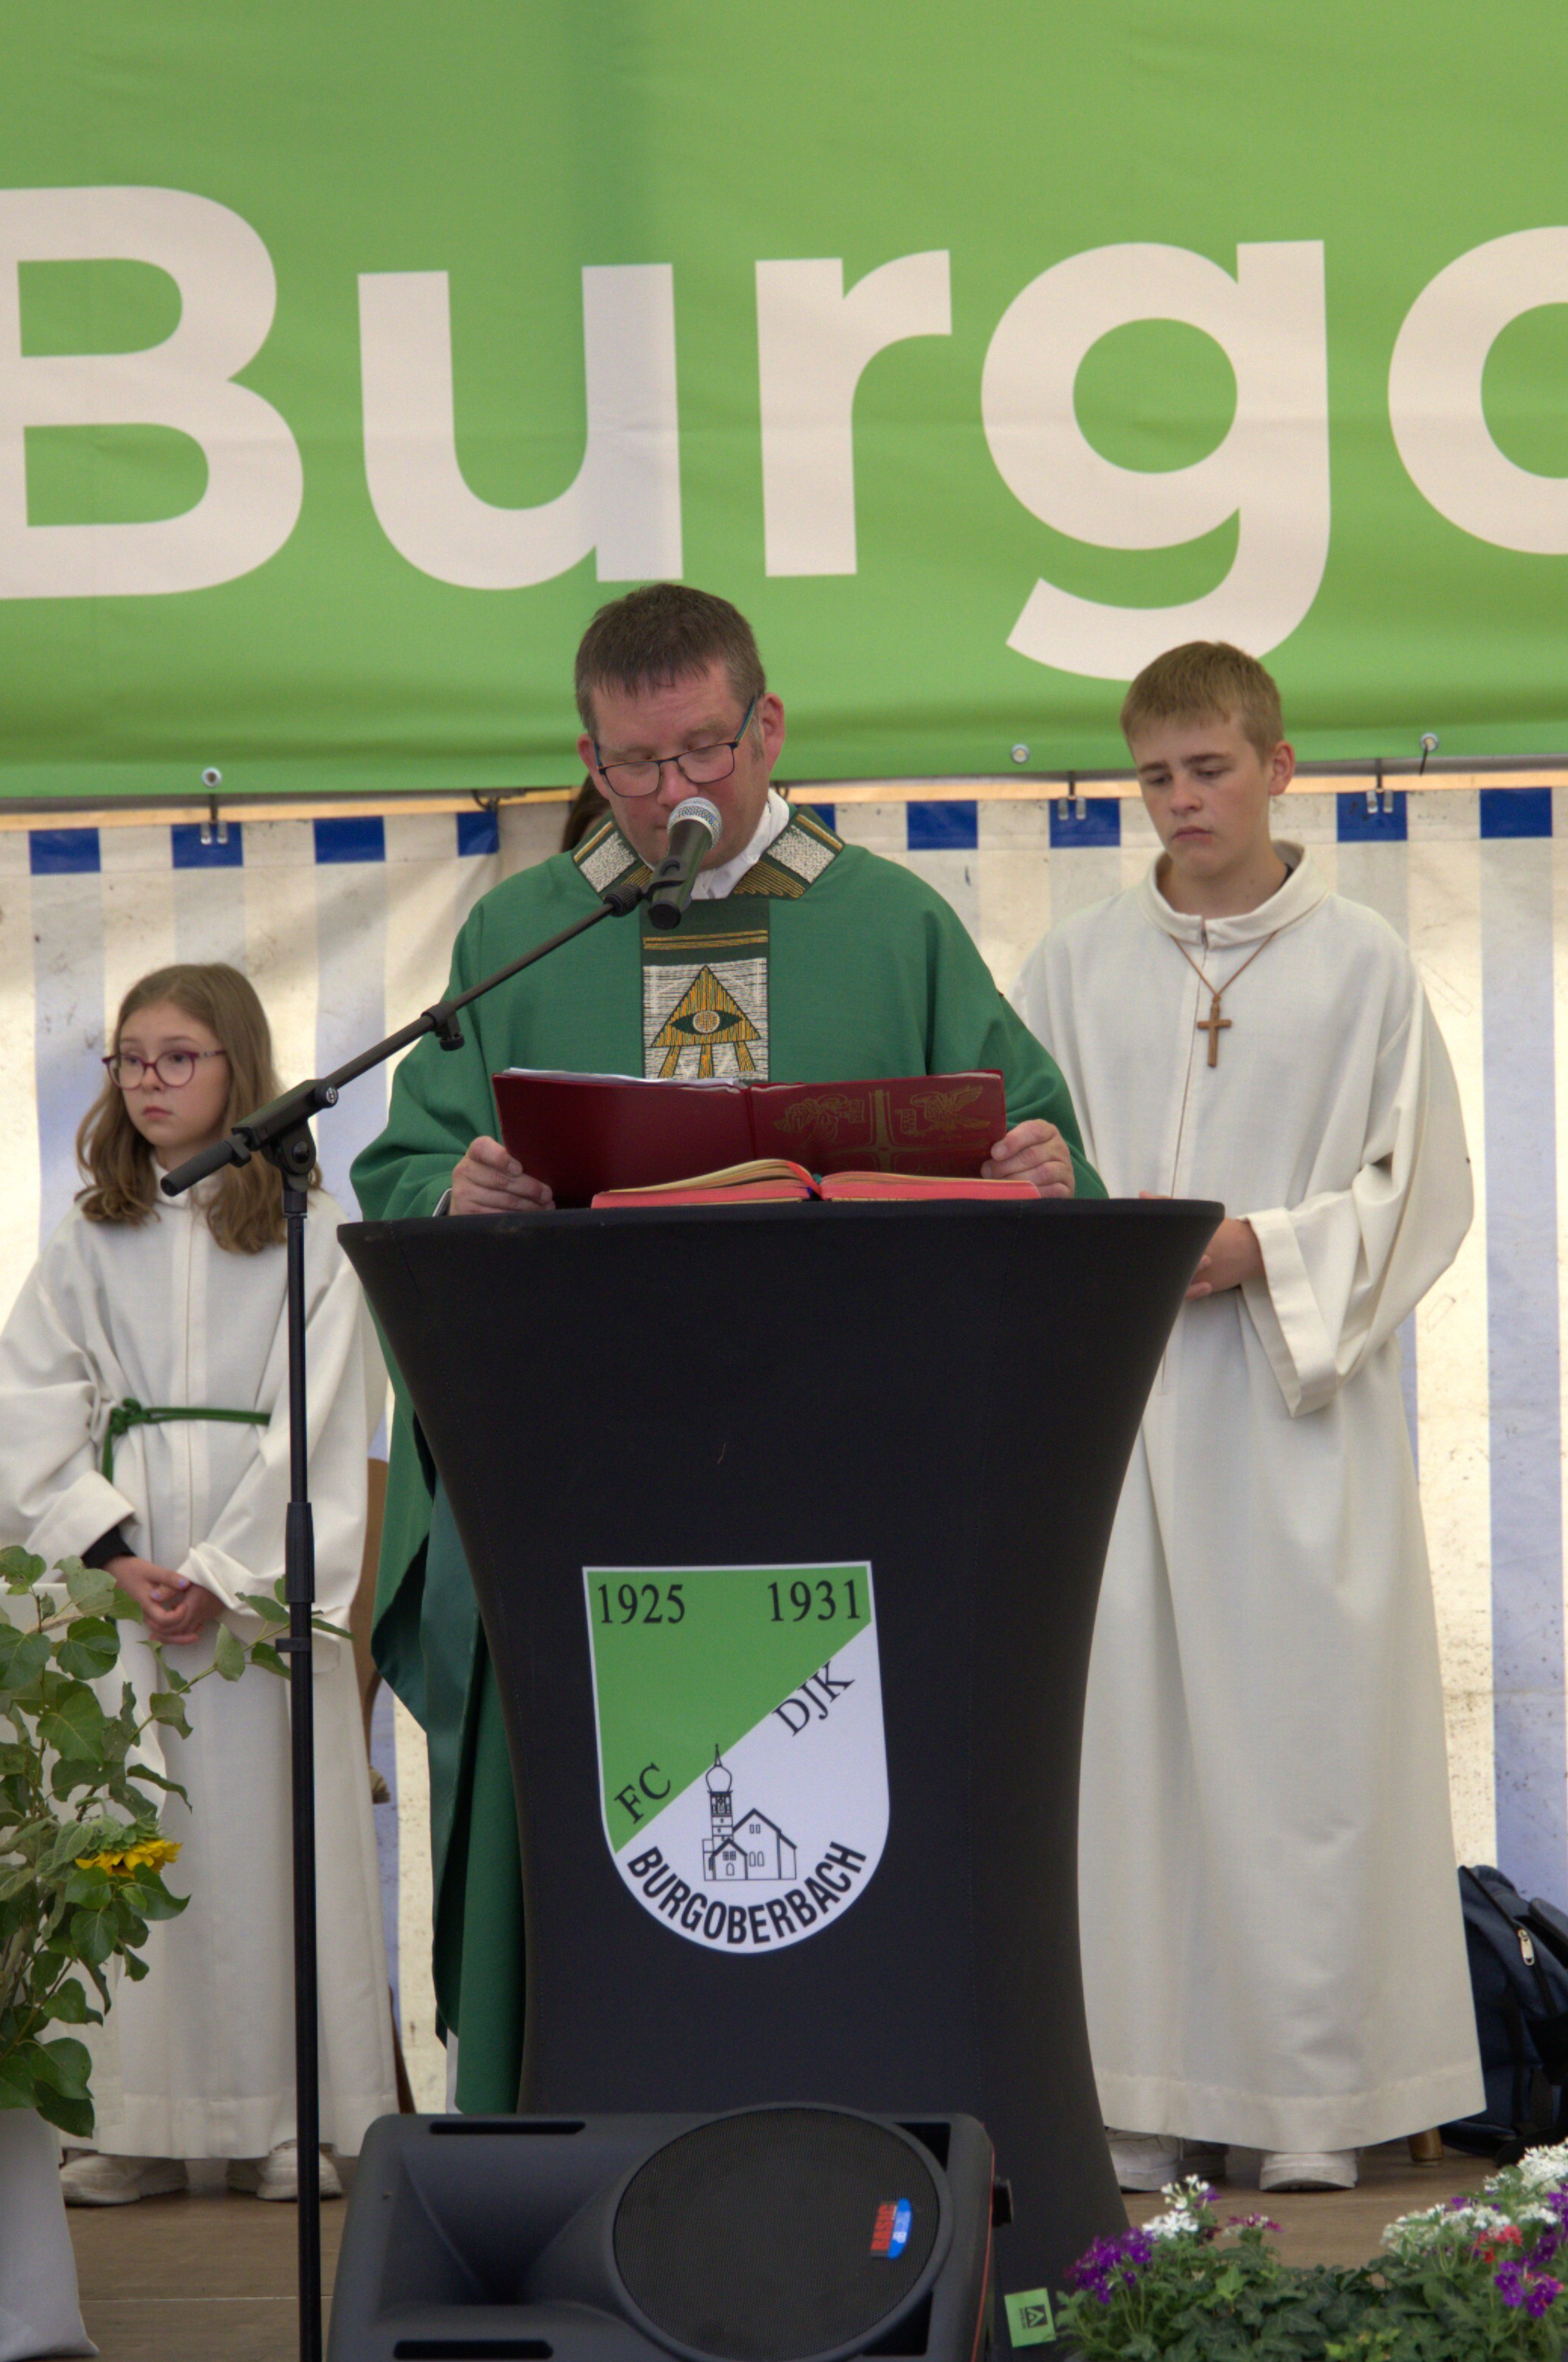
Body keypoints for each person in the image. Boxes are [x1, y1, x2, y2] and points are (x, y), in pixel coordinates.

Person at [354, 580, 1099, 2097]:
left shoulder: (891, 926)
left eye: (702, 748)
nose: (672, 791)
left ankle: (872, 2116)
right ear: (586, 756)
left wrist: (1038, 1163)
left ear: (768, 729)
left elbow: (1030, 1142)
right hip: (589, 1483)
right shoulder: (522, 934)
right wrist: (458, 1185)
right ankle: (565, 2124)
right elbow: (405, 1164)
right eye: (635, 763)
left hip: (852, 1474)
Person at [1014, 639, 1482, 2192]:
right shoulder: (1072, 969)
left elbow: (1417, 1190)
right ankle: (1135, 2103)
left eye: (1208, 768)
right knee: (1125, 1759)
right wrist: (1078, 1225)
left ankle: (1307, 2112)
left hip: (1294, 1416)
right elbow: (1014, 1163)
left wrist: (1262, 1249)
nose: (1180, 800)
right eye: (1153, 776)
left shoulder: (1363, 966)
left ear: (1278, 766)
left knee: (1304, 1763)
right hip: (1118, 1413)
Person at [0, 961, 401, 2203]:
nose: (148, 1081)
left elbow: (328, 1420)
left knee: (267, 1850)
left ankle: (288, 2121)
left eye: (178, 1057)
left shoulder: (308, 1234)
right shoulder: (92, 1232)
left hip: (256, 1579)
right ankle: (137, 2123)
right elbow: (27, 1402)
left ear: (239, 1067)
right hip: (128, 1573)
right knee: (131, 1837)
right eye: (129, 1059)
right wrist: (115, 1554)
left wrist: (225, 1573)